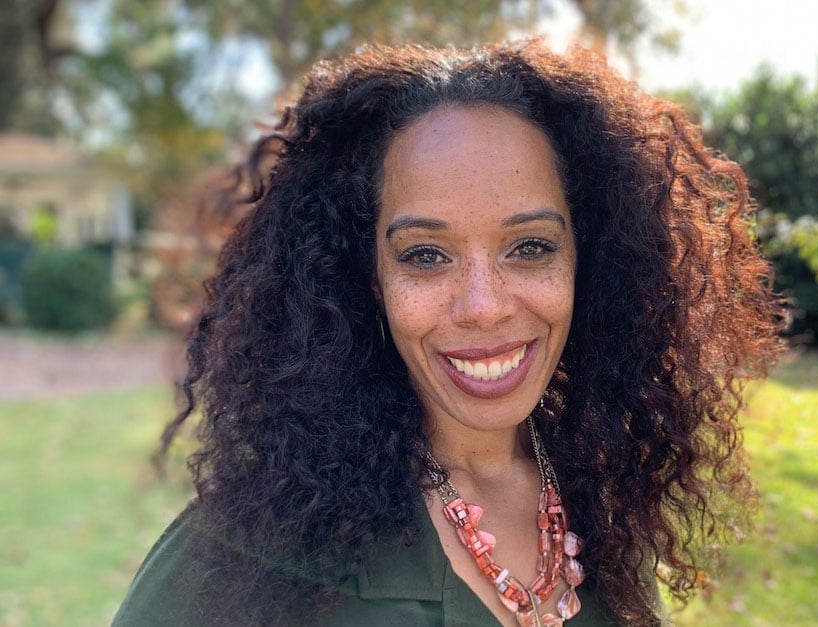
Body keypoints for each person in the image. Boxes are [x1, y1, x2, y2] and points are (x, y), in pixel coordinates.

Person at [113, 39, 784, 627]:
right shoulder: (250, 545)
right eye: (426, 255)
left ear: (591, 261)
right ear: (370, 280)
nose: (484, 307)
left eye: (529, 247)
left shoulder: (605, 510)